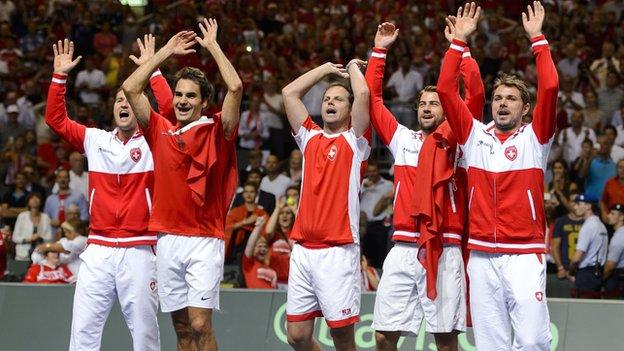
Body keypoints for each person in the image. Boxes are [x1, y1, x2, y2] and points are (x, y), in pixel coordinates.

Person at [437, 2, 558, 349]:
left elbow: (549, 88)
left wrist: (537, 39)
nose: (502, 103)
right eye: (497, 98)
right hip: (480, 255)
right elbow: (446, 91)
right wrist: (457, 42)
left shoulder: (536, 138)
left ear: (525, 109)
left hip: (523, 253)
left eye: (511, 99)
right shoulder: (475, 136)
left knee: (533, 340)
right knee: (491, 344)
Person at [45, 37, 174, 351]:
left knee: (145, 335)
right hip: (98, 249)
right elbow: (56, 119)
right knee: (83, 334)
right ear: (112, 108)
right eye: (119, 100)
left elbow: (169, 108)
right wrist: (59, 77)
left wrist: (151, 70)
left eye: (130, 100)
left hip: (140, 250)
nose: (124, 104)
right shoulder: (95, 140)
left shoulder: (154, 140)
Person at [121, 21, 242, 351]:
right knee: (182, 328)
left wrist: (213, 46)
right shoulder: (159, 129)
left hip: (203, 240)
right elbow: (132, 88)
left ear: (204, 102)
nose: (183, 101)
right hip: (167, 238)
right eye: (178, 95)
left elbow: (235, 88)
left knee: (201, 324)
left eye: (191, 95)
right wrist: (165, 53)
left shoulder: (218, 130)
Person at [365, 20, 484, 351]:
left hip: (444, 248)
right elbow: (374, 102)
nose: (428, 108)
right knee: (383, 336)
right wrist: (379, 51)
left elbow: (475, 94)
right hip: (403, 247)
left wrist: (462, 48)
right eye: (423, 104)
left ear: (448, 110)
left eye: (435, 103)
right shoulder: (403, 139)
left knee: (445, 341)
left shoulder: (461, 139)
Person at [281, 56, 370, 350]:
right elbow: (289, 93)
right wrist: (325, 70)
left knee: (342, 338)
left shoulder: (356, 141)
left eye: (339, 99)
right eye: (327, 98)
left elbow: (365, 94)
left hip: (339, 251)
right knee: (297, 335)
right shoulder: (309, 137)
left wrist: (354, 69)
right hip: (303, 250)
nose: (330, 102)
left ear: (349, 108)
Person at [569, 194, 608, 298]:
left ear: (588, 206)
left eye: (578, 204)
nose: (575, 207)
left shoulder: (588, 226)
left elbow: (576, 258)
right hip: (598, 273)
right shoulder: (601, 225)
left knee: (581, 310)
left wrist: (571, 271)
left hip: (586, 275)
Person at [359, 162, 393, 269]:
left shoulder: (388, 185)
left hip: (380, 226)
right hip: (362, 226)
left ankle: (378, 279)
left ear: (378, 170)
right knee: (363, 256)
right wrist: (364, 187)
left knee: (380, 255)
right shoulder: (361, 184)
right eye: (369, 171)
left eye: (374, 170)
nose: (372, 173)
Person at [225, 182, 268, 262]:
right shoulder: (235, 212)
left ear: (256, 194)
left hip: (255, 247)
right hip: (236, 248)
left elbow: (266, 232)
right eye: (246, 192)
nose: (249, 195)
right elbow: (227, 228)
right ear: (243, 194)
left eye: (251, 192)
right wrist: (245, 222)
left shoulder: (262, 213)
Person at [551, 193, 583, 285]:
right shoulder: (561, 221)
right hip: (565, 269)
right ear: (568, 203)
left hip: (582, 269)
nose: (575, 204)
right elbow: (555, 246)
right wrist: (560, 267)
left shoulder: (587, 221)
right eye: (573, 201)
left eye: (578, 201)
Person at [11, 192, 52, 261]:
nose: (35, 199)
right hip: (22, 255)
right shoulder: (22, 216)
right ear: (28, 202)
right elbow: (15, 237)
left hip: (40, 255)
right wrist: (28, 239)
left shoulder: (45, 217)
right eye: (32, 198)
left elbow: (50, 238)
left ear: (41, 202)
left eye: (37, 198)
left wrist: (39, 238)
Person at [604, 203, 624, 298]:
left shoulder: (619, 236)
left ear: (621, 217)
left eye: (612, 214)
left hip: (618, 280)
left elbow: (610, 265)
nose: (608, 216)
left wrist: (602, 279)